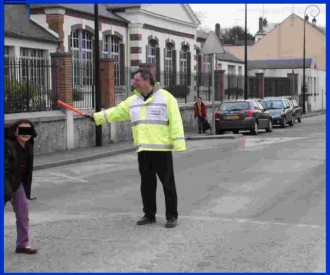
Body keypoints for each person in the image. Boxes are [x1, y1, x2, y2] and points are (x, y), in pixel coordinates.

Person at [91, 68, 186, 228]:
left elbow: (176, 122)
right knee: (147, 185)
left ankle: (172, 216)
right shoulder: (133, 100)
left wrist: (179, 144)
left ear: (147, 80)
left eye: (136, 80)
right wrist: (97, 117)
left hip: (161, 150)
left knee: (168, 184)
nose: (133, 83)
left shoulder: (166, 98)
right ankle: (149, 214)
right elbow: (117, 112)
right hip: (143, 150)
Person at [4, 119, 38, 254]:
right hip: (5, 183)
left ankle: (22, 245)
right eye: (22, 130)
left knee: (23, 213)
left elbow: (27, 171)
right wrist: (9, 194)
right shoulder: (7, 145)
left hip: (18, 185)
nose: (25, 134)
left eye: (28, 131)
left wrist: (23, 189)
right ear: (15, 131)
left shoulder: (29, 145)